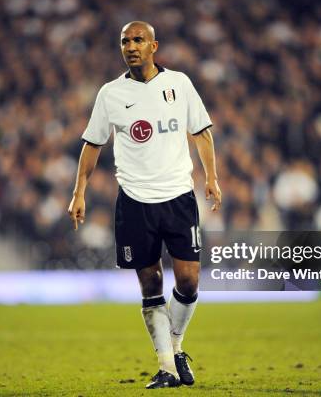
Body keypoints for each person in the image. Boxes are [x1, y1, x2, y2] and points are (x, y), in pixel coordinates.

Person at [68, 21, 221, 389]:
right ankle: (167, 366)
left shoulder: (179, 84)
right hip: (135, 202)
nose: (131, 46)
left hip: (179, 197)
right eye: (125, 41)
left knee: (188, 280)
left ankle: (177, 345)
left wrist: (212, 179)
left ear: (154, 45)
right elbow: (93, 144)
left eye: (138, 40)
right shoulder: (110, 94)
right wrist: (79, 191)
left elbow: (201, 132)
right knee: (150, 284)